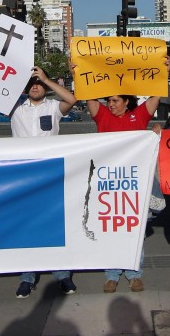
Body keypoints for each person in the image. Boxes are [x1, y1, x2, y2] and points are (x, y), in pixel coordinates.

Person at [72, 55, 170, 294]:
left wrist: (165, 71)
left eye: (115, 100)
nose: (111, 104)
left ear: (127, 102)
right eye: (109, 100)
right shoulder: (103, 116)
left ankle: (135, 274)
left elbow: (157, 94)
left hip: (133, 185)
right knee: (111, 229)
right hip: (108, 184)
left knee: (133, 229)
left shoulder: (140, 116)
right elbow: (88, 96)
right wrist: (76, 72)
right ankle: (112, 275)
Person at [9, 67, 79, 298]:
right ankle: (27, 277)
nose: (35, 86)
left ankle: (62, 274)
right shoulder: (15, 108)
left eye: (38, 82)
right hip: (24, 176)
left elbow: (72, 98)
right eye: (31, 83)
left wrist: (47, 79)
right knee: (27, 227)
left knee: (55, 225)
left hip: (51, 175)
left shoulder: (53, 108)